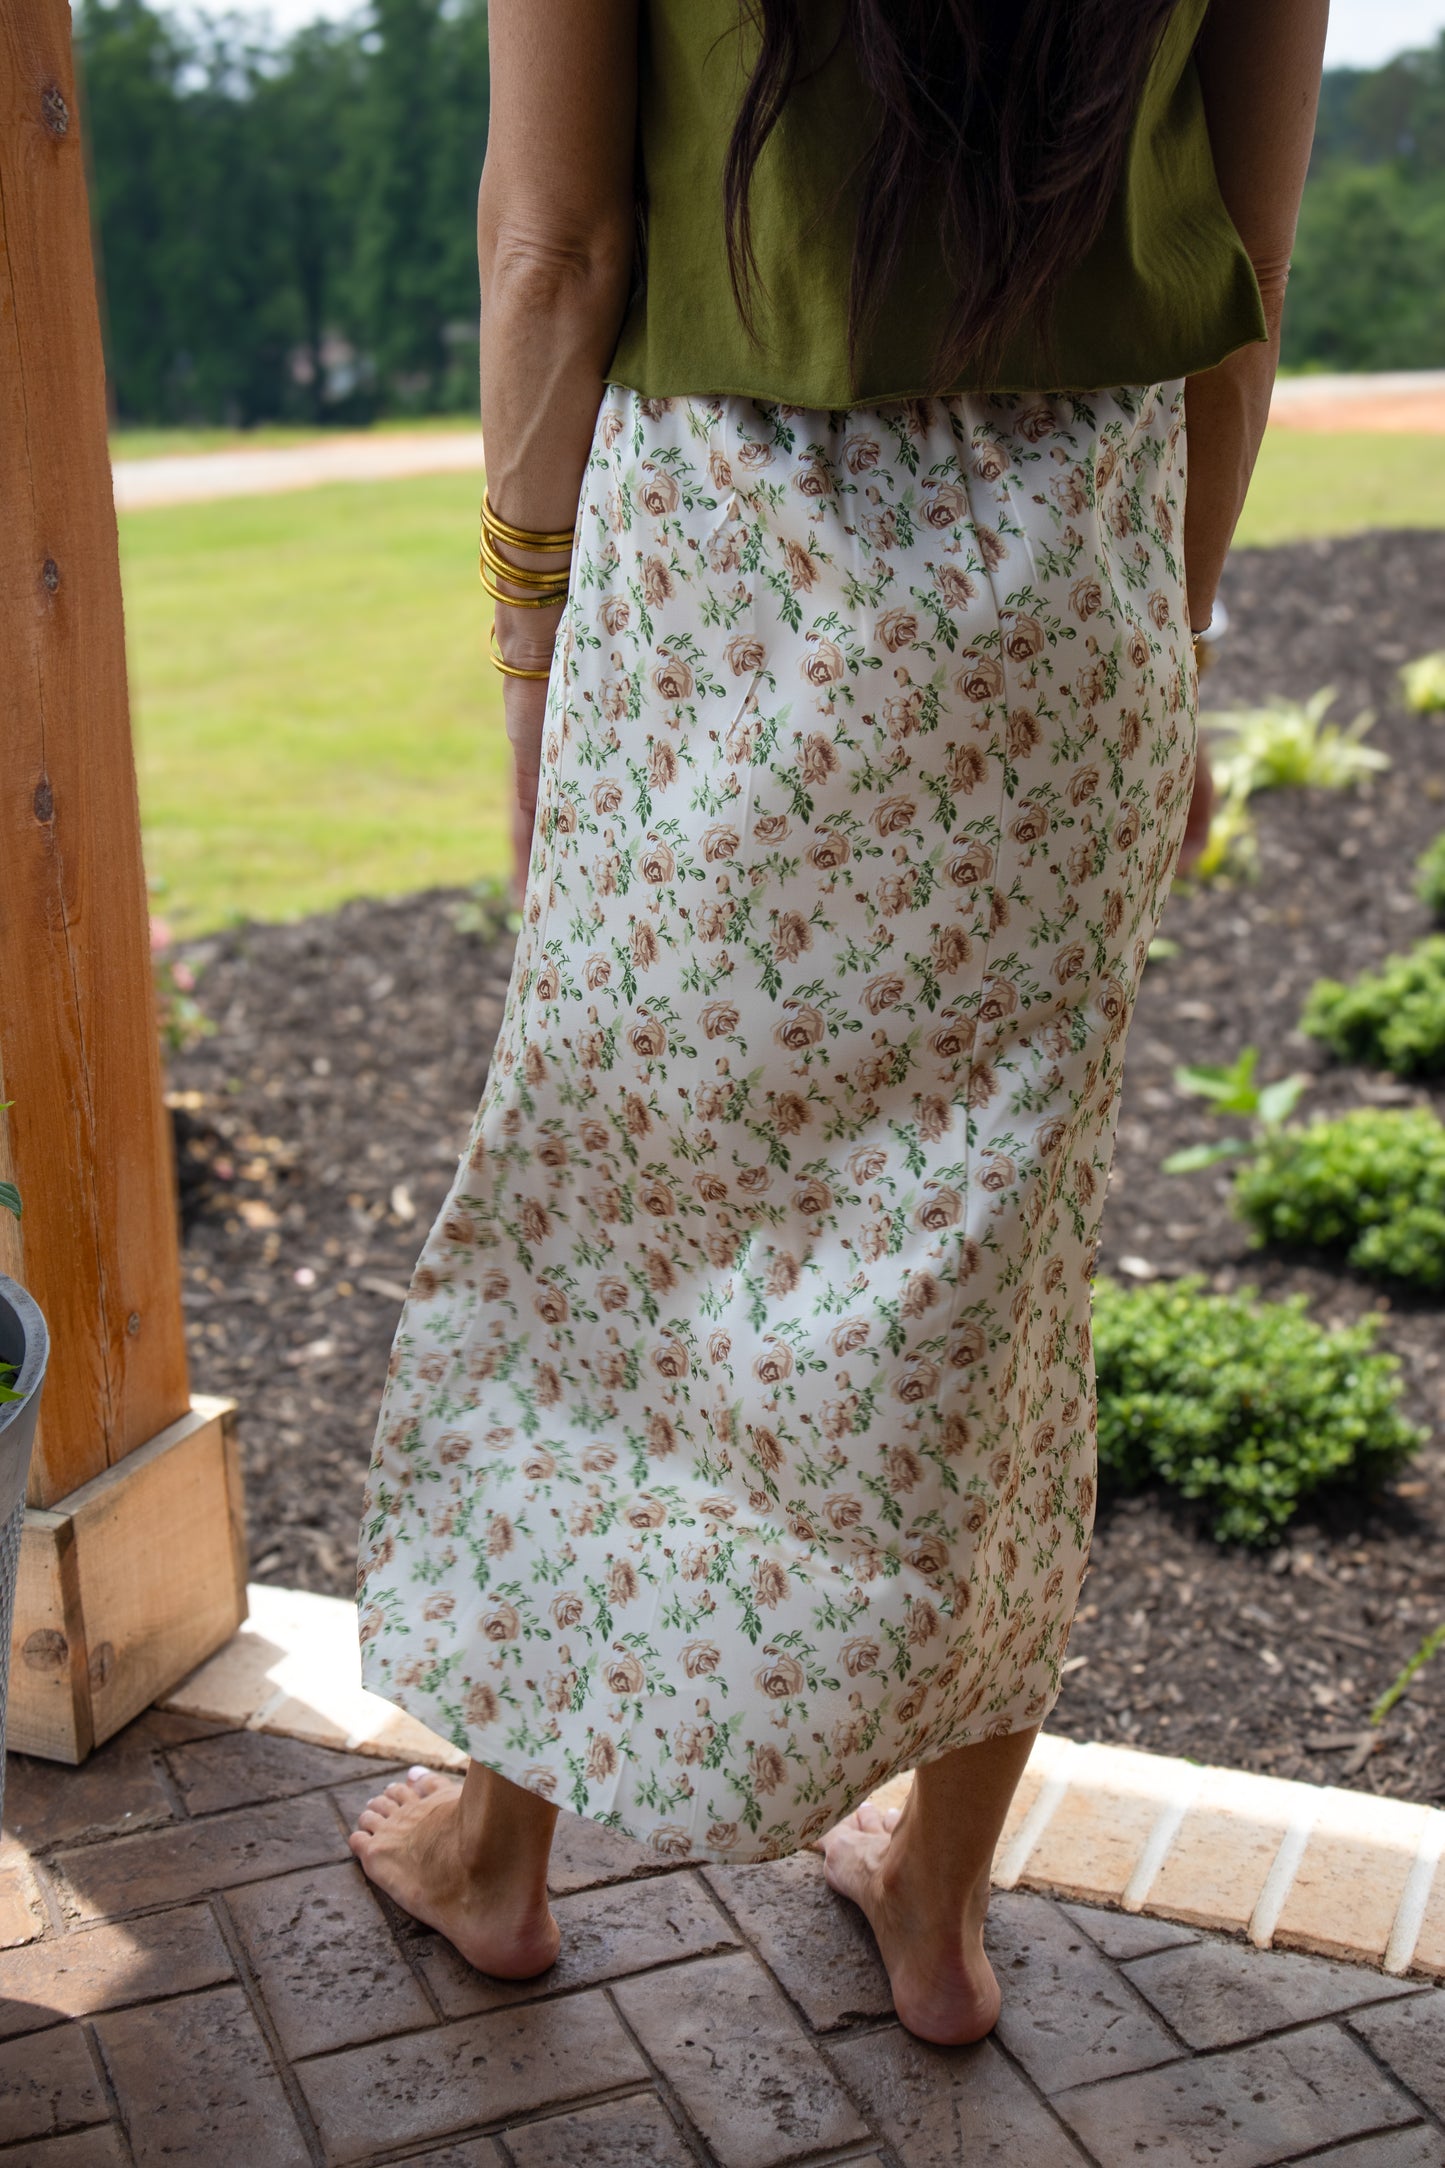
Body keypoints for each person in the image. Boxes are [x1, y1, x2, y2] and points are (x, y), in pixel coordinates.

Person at [349, 0, 1327, 2046]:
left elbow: (560, 242)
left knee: (621, 1232)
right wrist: (1181, 632)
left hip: (730, 585)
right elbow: (1244, 252)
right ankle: (939, 1910)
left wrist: (536, 641)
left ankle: (500, 1853)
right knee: (992, 1270)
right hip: (1078, 585)